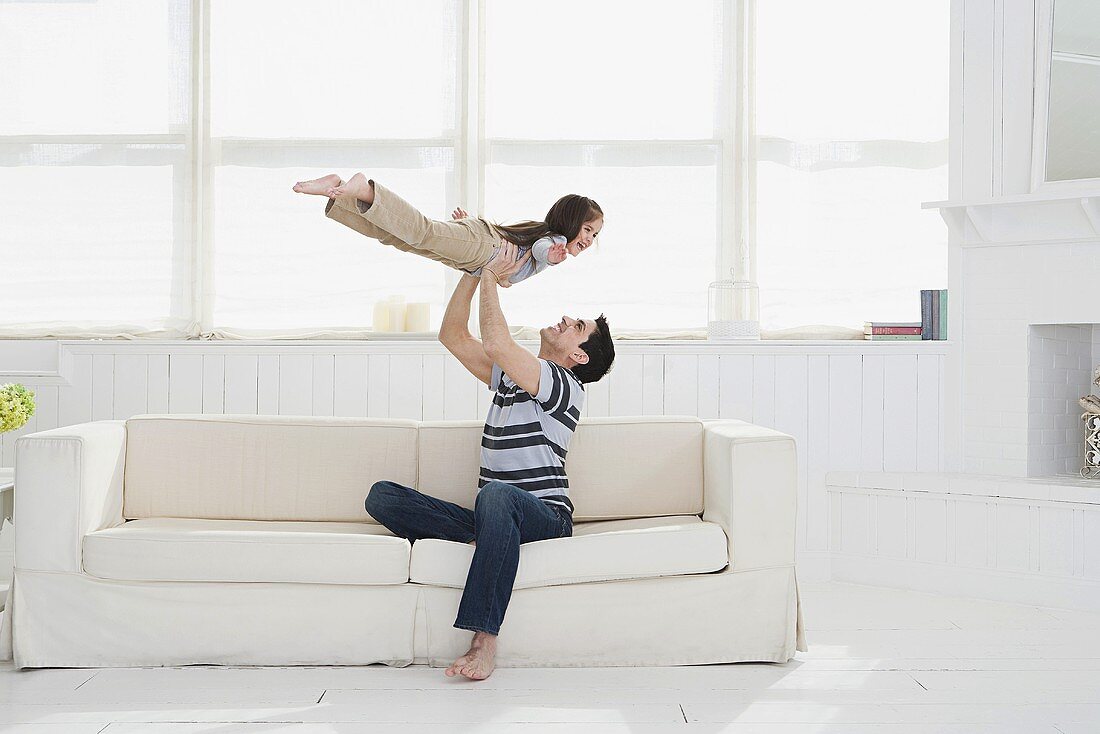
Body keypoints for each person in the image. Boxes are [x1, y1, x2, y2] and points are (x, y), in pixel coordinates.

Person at [363, 241, 615, 680]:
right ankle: (495, 540)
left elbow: (497, 342)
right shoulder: (512, 379)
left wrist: (495, 278)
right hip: (497, 512)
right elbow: (453, 336)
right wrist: (476, 266)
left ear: (579, 356)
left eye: (576, 326)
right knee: (382, 497)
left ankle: (484, 639)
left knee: (498, 496)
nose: (565, 319)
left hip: (546, 517)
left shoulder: (564, 385)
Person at [293, 172, 603, 286]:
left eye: (595, 234)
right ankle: (365, 190)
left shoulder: (542, 235)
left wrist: (467, 230)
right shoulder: (553, 242)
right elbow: (539, 250)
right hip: (484, 249)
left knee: (403, 239)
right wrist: (552, 254)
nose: (590, 239)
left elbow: (511, 268)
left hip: (479, 251)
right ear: (571, 221)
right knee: (421, 232)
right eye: (588, 230)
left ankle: (339, 193)